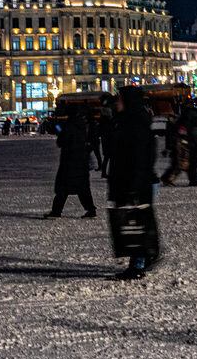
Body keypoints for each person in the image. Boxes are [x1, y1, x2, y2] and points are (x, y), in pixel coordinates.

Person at [107, 85, 158, 280]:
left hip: (137, 182)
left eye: (119, 99)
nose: (116, 102)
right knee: (138, 221)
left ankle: (138, 265)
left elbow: (138, 157)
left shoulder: (134, 123)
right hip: (134, 180)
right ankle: (145, 257)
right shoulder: (127, 121)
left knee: (137, 222)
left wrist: (134, 186)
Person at [47, 110, 97, 217]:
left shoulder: (68, 126)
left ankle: (56, 212)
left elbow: (61, 141)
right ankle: (91, 209)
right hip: (81, 160)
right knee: (83, 188)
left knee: (63, 188)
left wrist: (58, 128)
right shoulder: (83, 126)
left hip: (69, 161)